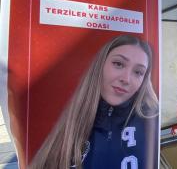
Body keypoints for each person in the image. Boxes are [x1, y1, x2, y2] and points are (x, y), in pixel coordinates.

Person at [30, 35, 159, 169]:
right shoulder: (70, 125)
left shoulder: (151, 120)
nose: (126, 79)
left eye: (138, 72)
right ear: (100, 65)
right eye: (118, 64)